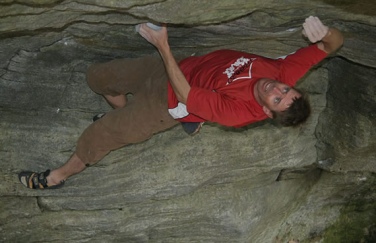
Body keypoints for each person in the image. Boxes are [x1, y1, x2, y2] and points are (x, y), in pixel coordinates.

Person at [18, 16, 343, 189]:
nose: (278, 88)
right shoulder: (285, 71)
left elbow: (187, 94)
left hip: (169, 103)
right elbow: (333, 44)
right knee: (97, 77)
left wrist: (162, 45)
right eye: (287, 90)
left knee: (100, 136)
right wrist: (326, 31)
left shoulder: (238, 112)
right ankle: (126, 113)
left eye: (277, 97)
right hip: (173, 69)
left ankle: (59, 176)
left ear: (267, 111)